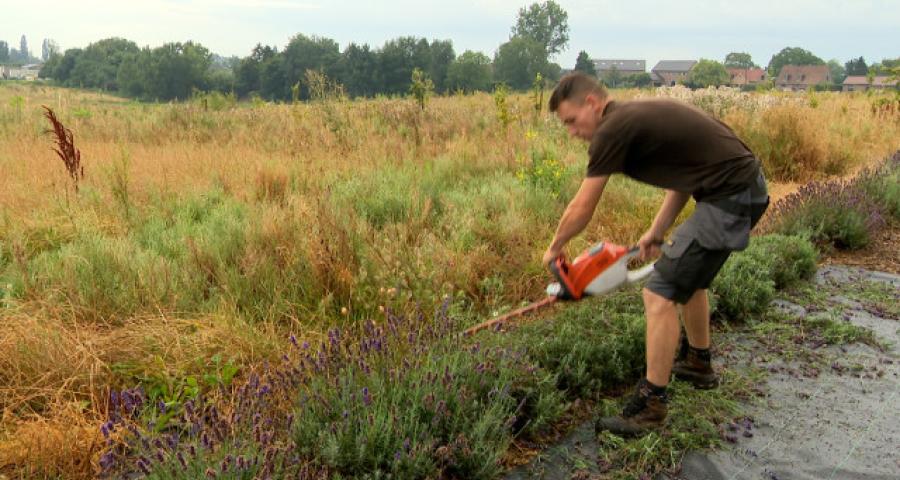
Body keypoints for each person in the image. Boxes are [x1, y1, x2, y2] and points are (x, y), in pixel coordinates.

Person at [543, 72, 769, 436]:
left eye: (571, 121)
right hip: (737, 189)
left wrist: (554, 248)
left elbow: (583, 205)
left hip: (731, 194)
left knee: (659, 290)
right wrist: (657, 231)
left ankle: (650, 407)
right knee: (687, 277)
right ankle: (698, 363)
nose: (571, 131)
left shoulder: (611, 129)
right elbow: (684, 179)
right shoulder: (630, 118)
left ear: (592, 103)